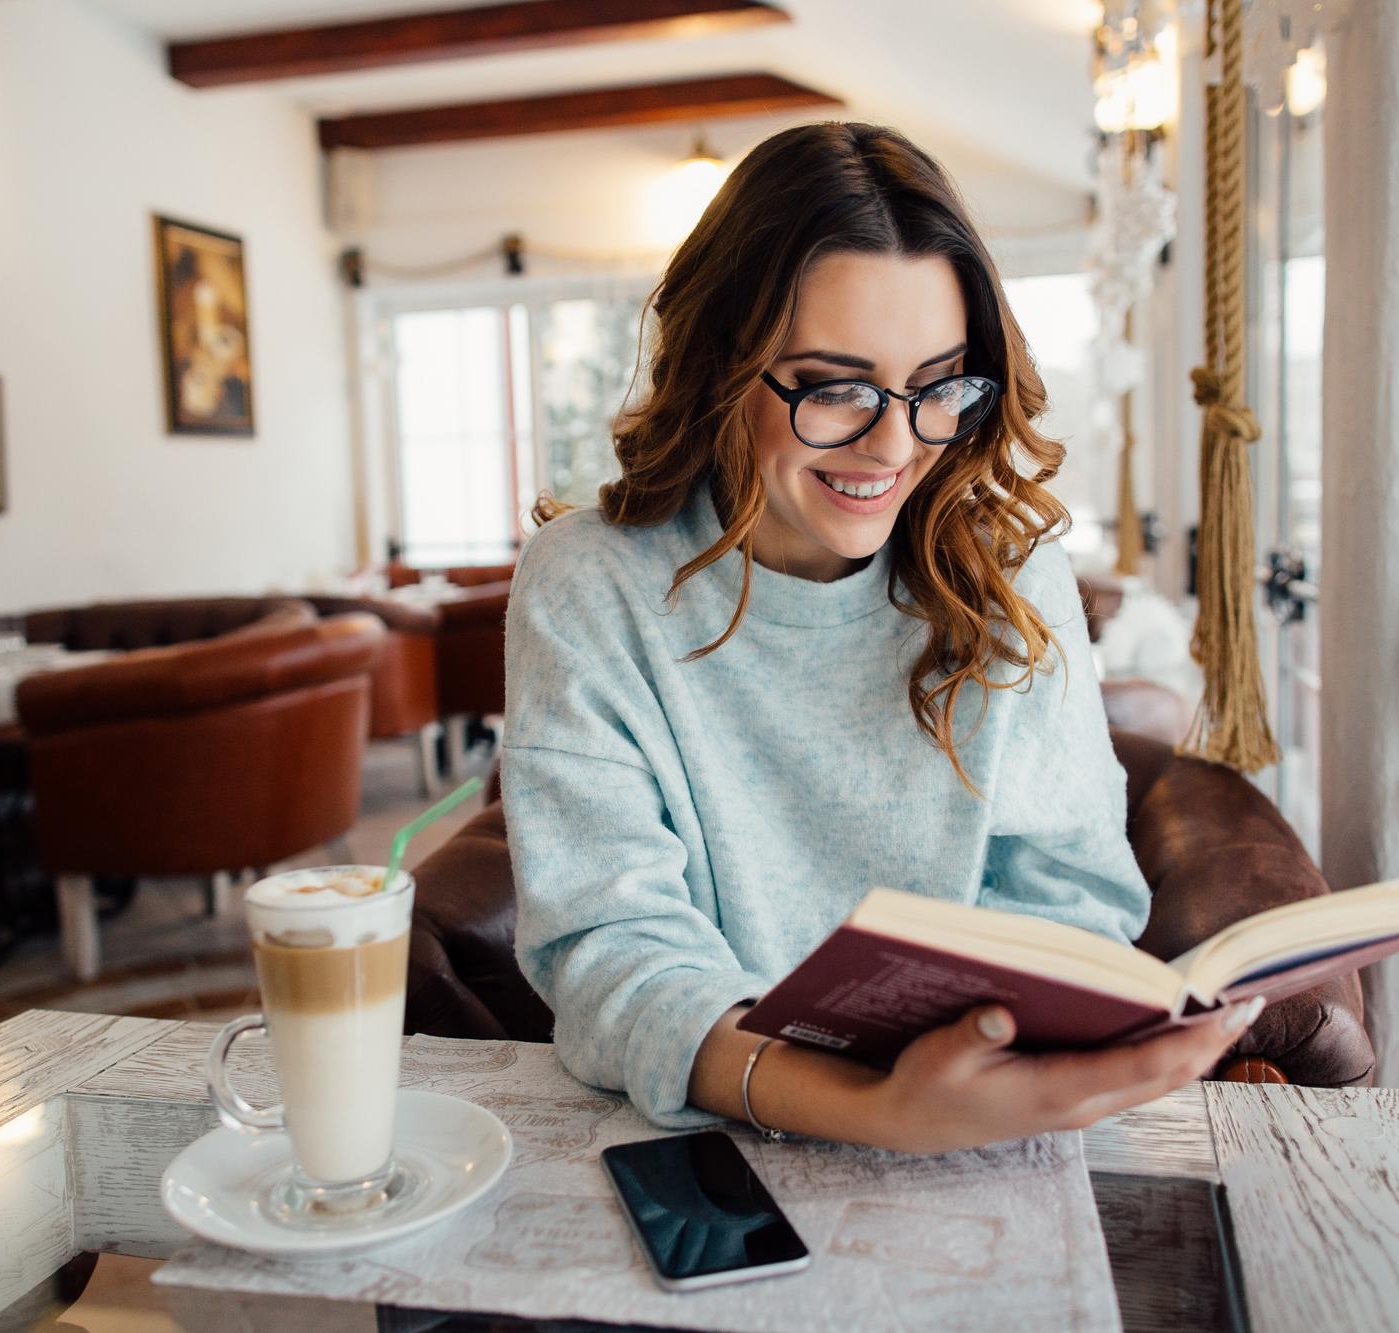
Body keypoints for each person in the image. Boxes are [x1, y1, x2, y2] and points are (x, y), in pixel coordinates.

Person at [501, 121, 1257, 1153]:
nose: (894, 444)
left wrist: (982, 1065)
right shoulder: (591, 582)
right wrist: (868, 1109)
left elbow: (1072, 896)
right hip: (716, 1139)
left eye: (937, 383)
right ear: (723, 361)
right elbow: (610, 945)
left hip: (980, 1124)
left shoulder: (1012, 574)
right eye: (833, 386)